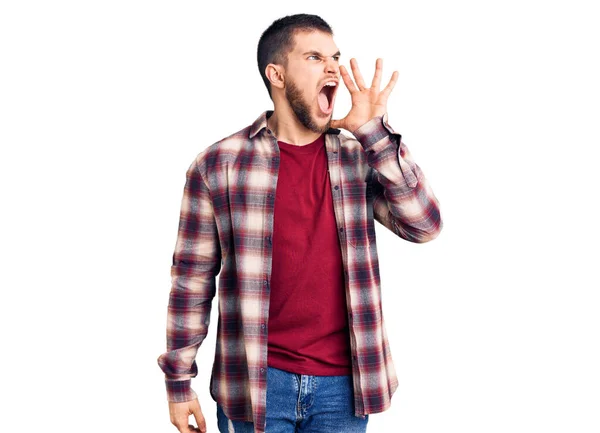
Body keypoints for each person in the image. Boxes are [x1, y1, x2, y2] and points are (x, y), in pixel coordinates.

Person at [157, 13, 443, 433]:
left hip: (344, 388)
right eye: (314, 57)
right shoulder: (218, 165)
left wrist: (374, 134)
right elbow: (192, 281)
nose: (333, 68)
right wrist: (179, 384)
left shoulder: (358, 158)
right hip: (256, 384)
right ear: (276, 74)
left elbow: (425, 225)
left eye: (335, 57)